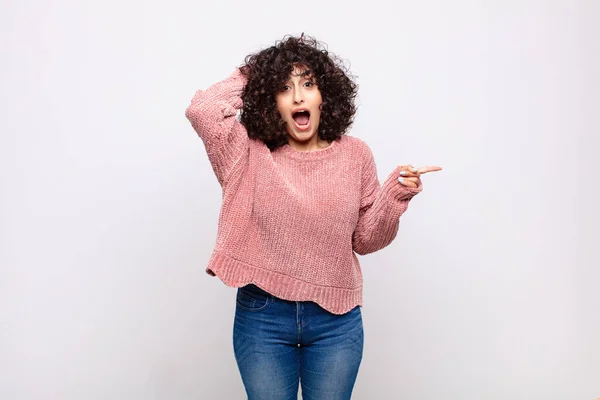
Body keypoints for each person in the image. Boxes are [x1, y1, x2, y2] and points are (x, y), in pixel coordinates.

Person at [185, 34, 441, 400]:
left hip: (336, 321)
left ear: (325, 96)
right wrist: (254, 73)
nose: (299, 97)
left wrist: (395, 196)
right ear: (271, 100)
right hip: (263, 315)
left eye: (308, 84)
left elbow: (365, 240)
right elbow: (203, 110)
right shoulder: (246, 153)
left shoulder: (355, 155)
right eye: (285, 88)